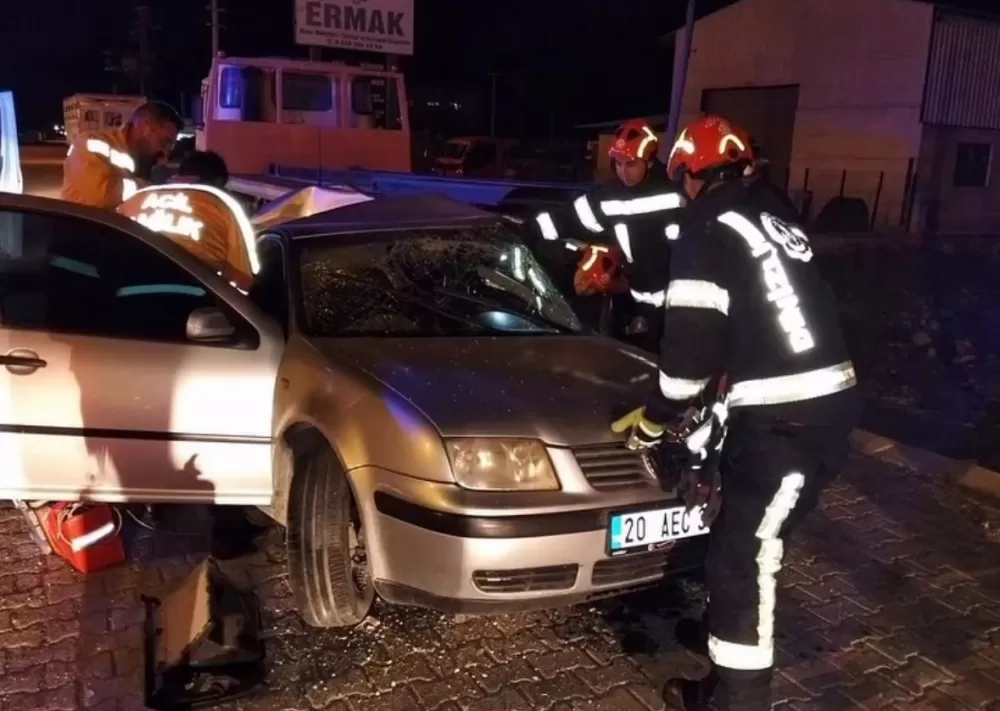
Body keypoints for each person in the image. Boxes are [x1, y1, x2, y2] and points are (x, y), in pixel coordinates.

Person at [614, 115, 861, 710]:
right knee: (742, 544)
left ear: (687, 174)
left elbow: (688, 352)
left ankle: (735, 701)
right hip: (826, 406)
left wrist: (654, 417)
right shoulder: (773, 217)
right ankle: (724, 660)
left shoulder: (704, 223)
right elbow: (774, 310)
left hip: (786, 424)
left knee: (742, 564)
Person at [533, 119, 685, 347]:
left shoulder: (677, 199)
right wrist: (525, 230)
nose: (624, 171)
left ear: (650, 161)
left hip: (675, 311)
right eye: (619, 163)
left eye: (631, 164)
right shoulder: (608, 196)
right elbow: (565, 220)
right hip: (633, 305)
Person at [116, 150, 259, 293]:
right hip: (186, 296)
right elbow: (242, 280)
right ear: (218, 182)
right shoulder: (222, 203)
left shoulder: (135, 198)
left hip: (121, 288)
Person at [61, 101, 182, 210]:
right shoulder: (90, 142)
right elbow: (101, 196)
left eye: (170, 145)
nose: (165, 151)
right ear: (146, 127)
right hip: (80, 227)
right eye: (164, 142)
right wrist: (149, 187)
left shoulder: (146, 158)